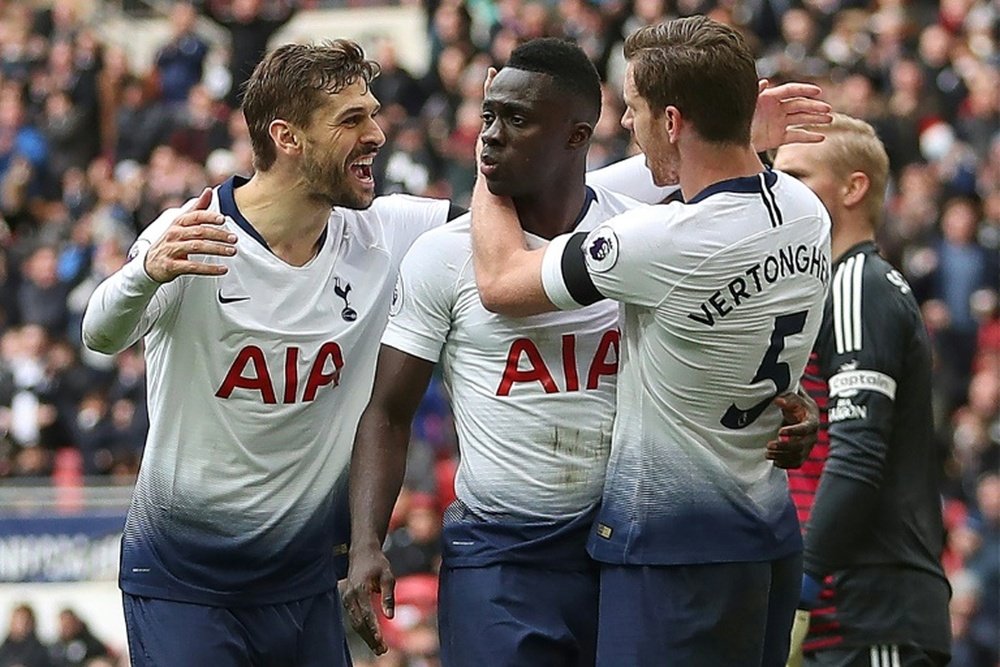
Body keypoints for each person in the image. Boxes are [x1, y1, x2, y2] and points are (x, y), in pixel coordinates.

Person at [82, 34, 830, 667]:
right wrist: (141, 273)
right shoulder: (192, 237)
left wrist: (722, 130)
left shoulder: (397, 230)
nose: (378, 134)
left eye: (375, 115)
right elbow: (100, 335)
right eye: (354, 120)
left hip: (593, 548)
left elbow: (564, 191)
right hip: (219, 569)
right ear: (287, 136)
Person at [346, 31, 831, 667]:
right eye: (487, 117)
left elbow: (502, 282)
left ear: (579, 135)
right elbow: (388, 409)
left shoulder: (639, 232)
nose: (489, 134)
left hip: (626, 546)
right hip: (503, 555)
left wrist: (486, 181)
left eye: (513, 119)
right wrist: (365, 540)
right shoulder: (443, 255)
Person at [775, 115, 951, 666]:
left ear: (854, 188)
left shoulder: (857, 286)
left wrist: (801, 585)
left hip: (865, 611)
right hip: (845, 611)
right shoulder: (827, 289)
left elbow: (857, 451)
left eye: (799, 177)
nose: (781, 196)